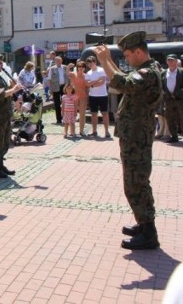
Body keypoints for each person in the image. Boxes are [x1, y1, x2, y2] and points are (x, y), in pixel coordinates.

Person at [93, 31, 162, 250]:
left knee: (135, 184)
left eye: (129, 55)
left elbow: (122, 83)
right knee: (138, 182)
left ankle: (149, 233)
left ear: (139, 52)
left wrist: (105, 60)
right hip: (135, 136)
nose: (127, 59)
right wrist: (110, 62)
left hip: (136, 138)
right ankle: (144, 224)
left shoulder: (148, 73)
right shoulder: (146, 71)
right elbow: (124, 79)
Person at [85, 56, 111, 139]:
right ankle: (94, 131)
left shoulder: (101, 70)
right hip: (92, 96)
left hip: (103, 95)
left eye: (91, 62)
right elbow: (87, 84)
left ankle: (107, 131)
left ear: (95, 62)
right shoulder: (88, 73)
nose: (90, 64)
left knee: (104, 114)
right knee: (93, 114)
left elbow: (102, 82)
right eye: (88, 63)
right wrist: (95, 82)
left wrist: (92, 84)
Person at [162, 53, 183, 143]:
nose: (170, 62)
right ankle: (174, 136)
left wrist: (180, 92)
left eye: (172, 60)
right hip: (168, 99)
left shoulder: (181, 72)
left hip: (180, 99)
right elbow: (161, 85)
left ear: (176, 61)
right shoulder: (163, 73)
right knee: (170, 118)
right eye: (169, 60)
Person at [67, 61, 88, 137]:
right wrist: (68, 67)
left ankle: (81, 131)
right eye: (79, 66)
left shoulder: (86, 76)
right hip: (74, 96)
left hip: (83, 96)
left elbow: (88, 86)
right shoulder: (73, 74)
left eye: (82, 67)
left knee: (82, 114)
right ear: (77, 67)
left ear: (84, 68)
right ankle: (72, 130)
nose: (81, 68)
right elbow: (67, 73)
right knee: (73, 114)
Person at [46, 56, 69, 124]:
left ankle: (65, 117)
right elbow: (49, 79)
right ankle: (58, 119)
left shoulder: (65, 67)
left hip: (64, 86)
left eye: (59, 60)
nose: (58, 62)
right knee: (57, 103)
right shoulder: (52, 69)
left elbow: (69, 77)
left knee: (65, 102)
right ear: (55, 62)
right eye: (57, 61)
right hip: (55, 87)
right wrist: (50, 89)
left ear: (61, 61)